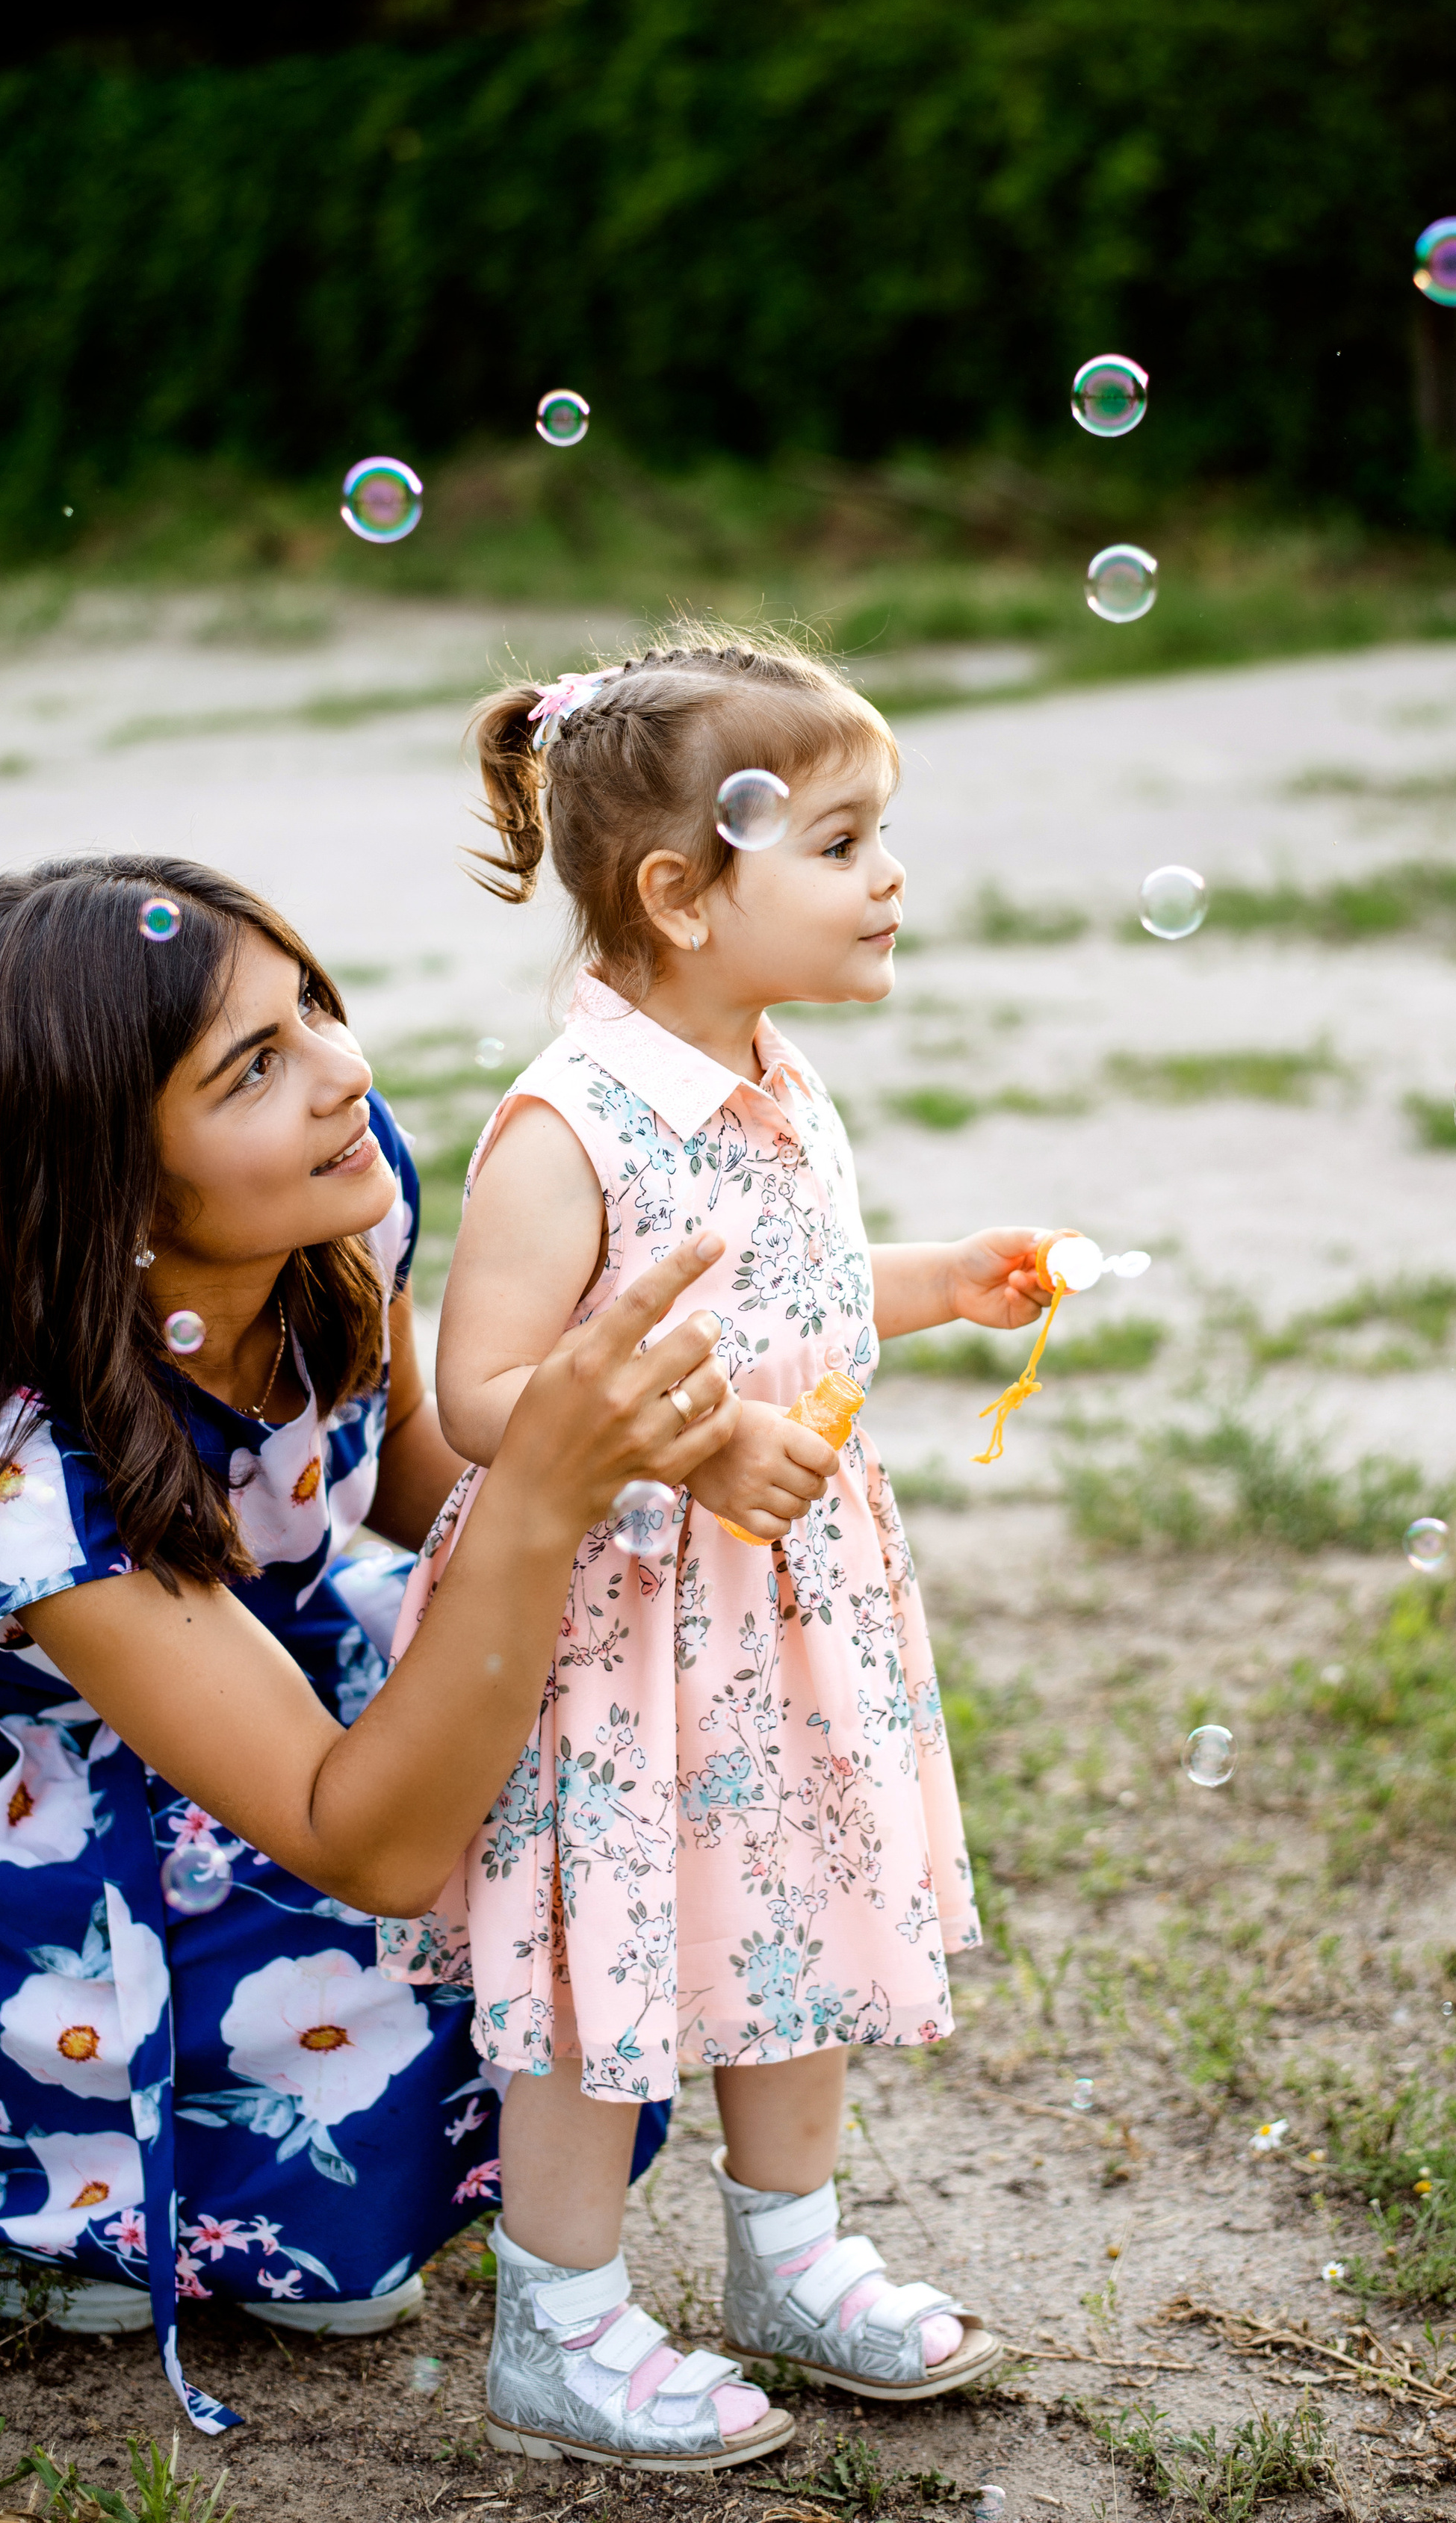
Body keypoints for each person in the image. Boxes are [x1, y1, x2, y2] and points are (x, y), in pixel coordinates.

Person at [0, 853, 738, 2436]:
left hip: (264, 1669)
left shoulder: (333, 1195)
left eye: (313, 1005)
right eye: (255, 1066)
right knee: (439, 1950)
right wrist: (541, 1516)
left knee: (592, 1730)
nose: (344, 1071)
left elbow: (393, 1469)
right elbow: (358, 1843)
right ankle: (41, 2177)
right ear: (106, 1182)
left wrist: (611, 1496)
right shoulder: (13, 1460)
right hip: (6, 1844)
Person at [381, 636, 1056, 2472]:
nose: (888, 877)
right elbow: (484, 1390)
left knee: (798, 1913)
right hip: (613, 1622)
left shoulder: (769, 1074)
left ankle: (791, 2255)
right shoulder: (566, 1125)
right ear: (680, 894)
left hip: (782, 1612)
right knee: (602, 1968)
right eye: (842, 844)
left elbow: (798, 1296)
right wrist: (693, 1441)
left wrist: (935, 1285)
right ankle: (563, 2324)